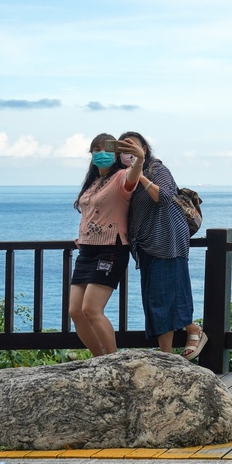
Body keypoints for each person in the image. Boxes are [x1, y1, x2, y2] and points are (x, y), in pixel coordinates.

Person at [119, 131, 206, 360]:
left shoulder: (156, 170)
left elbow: (165, 198)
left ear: (144, 150)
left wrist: (139, 175)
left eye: (132, 148)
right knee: (155, 299)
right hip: (147, 243)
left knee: (169, 293)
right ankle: (166, 354)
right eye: (123, 150)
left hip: (168, 240)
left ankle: (192, 331)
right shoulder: (123, 175)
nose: (127, 154)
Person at [71, 133, 142, 356]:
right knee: (75, 311)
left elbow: (134, 175)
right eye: (96, 150)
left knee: (91, 309)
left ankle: (113, 360)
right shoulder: (92, 183)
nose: (101, 154)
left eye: (107, 149)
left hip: (111, 248)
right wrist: (82, 236)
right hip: (87, 250)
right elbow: (90, 213)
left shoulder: (121, 177)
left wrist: (138, 158)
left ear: (116, 153)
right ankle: (99, 359)